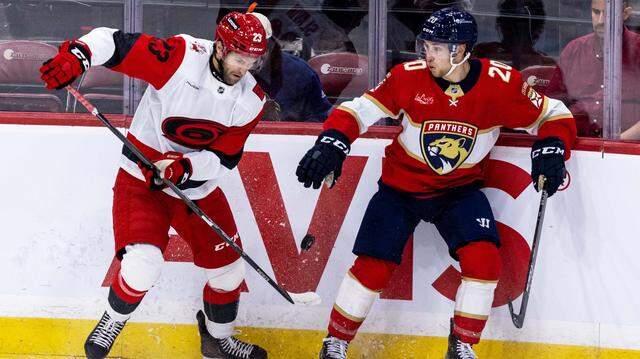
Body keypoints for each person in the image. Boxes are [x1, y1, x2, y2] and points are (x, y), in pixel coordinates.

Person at [296, 7, 576, 359]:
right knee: (373, 263)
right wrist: (333, 141)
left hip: (459, 192)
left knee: (484, 261)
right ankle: (335, 342)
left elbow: (554, 113)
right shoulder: (407, 76)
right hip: (401, 188)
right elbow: (358, 109)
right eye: (425, 45)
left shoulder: (501, 83)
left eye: (437, 48)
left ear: (460, 51)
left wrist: (552, 146)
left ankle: (461, 346)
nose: (427, 54)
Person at [39, 10, 272, 359]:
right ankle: (113, 320)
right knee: (143, 265)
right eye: (240, 58)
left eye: (253, 60)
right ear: (221, 48)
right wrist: (77, 55)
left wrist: (186, 167)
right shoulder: (180, 57)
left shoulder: (251, 99)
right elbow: (113, 42)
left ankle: (217, 339)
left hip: (196, 189)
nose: (245, 68)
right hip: (140, 181)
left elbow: (225, 159)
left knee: (229, 270)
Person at [546, 0, 640, 138]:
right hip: (575, 146)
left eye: (608, 14)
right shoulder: (574, 50)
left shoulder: (638, 50)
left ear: (625, 14)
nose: (601, 20)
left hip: (626, 152)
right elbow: (551, 106)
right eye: (596, 12)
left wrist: (618, 144)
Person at [253, 37, 332, 122]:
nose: (251, 58)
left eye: (258, 48)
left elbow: (320, 116)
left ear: (270, 44)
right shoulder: (240, 74)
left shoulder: (301, 72)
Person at [473, 0, 556, 70]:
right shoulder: (483, 52)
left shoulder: (546, 64)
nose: (516, 34)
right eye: (510, 27)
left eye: (523, 28)